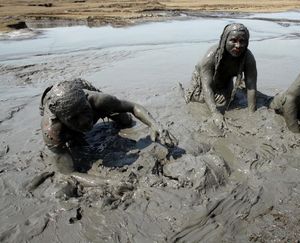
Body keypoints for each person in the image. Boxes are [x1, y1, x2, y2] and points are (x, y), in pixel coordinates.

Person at [40, 78, 177, 169]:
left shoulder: (98, 100)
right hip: (59, 110)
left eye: (85, 111)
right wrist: (107, 182)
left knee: (126, 120)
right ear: (60, 120)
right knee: (77, 148)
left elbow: (133, 107)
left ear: (88, 102)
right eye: (74, 118)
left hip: (79, 87)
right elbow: (68, 173)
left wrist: (153, 124)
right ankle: (74, 131)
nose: (85, 121)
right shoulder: (52, 131)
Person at [183, 23, 257, 129]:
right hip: (201, 83)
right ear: (224, 40)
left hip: (225, 84)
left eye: (242, 41)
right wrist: (215, 113)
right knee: (199, 102)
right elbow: (206, 86)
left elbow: (251, 87)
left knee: (229, 103)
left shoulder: (248, 58)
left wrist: (252, 114)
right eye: (233, 40)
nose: (238, 45)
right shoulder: (211, 57)